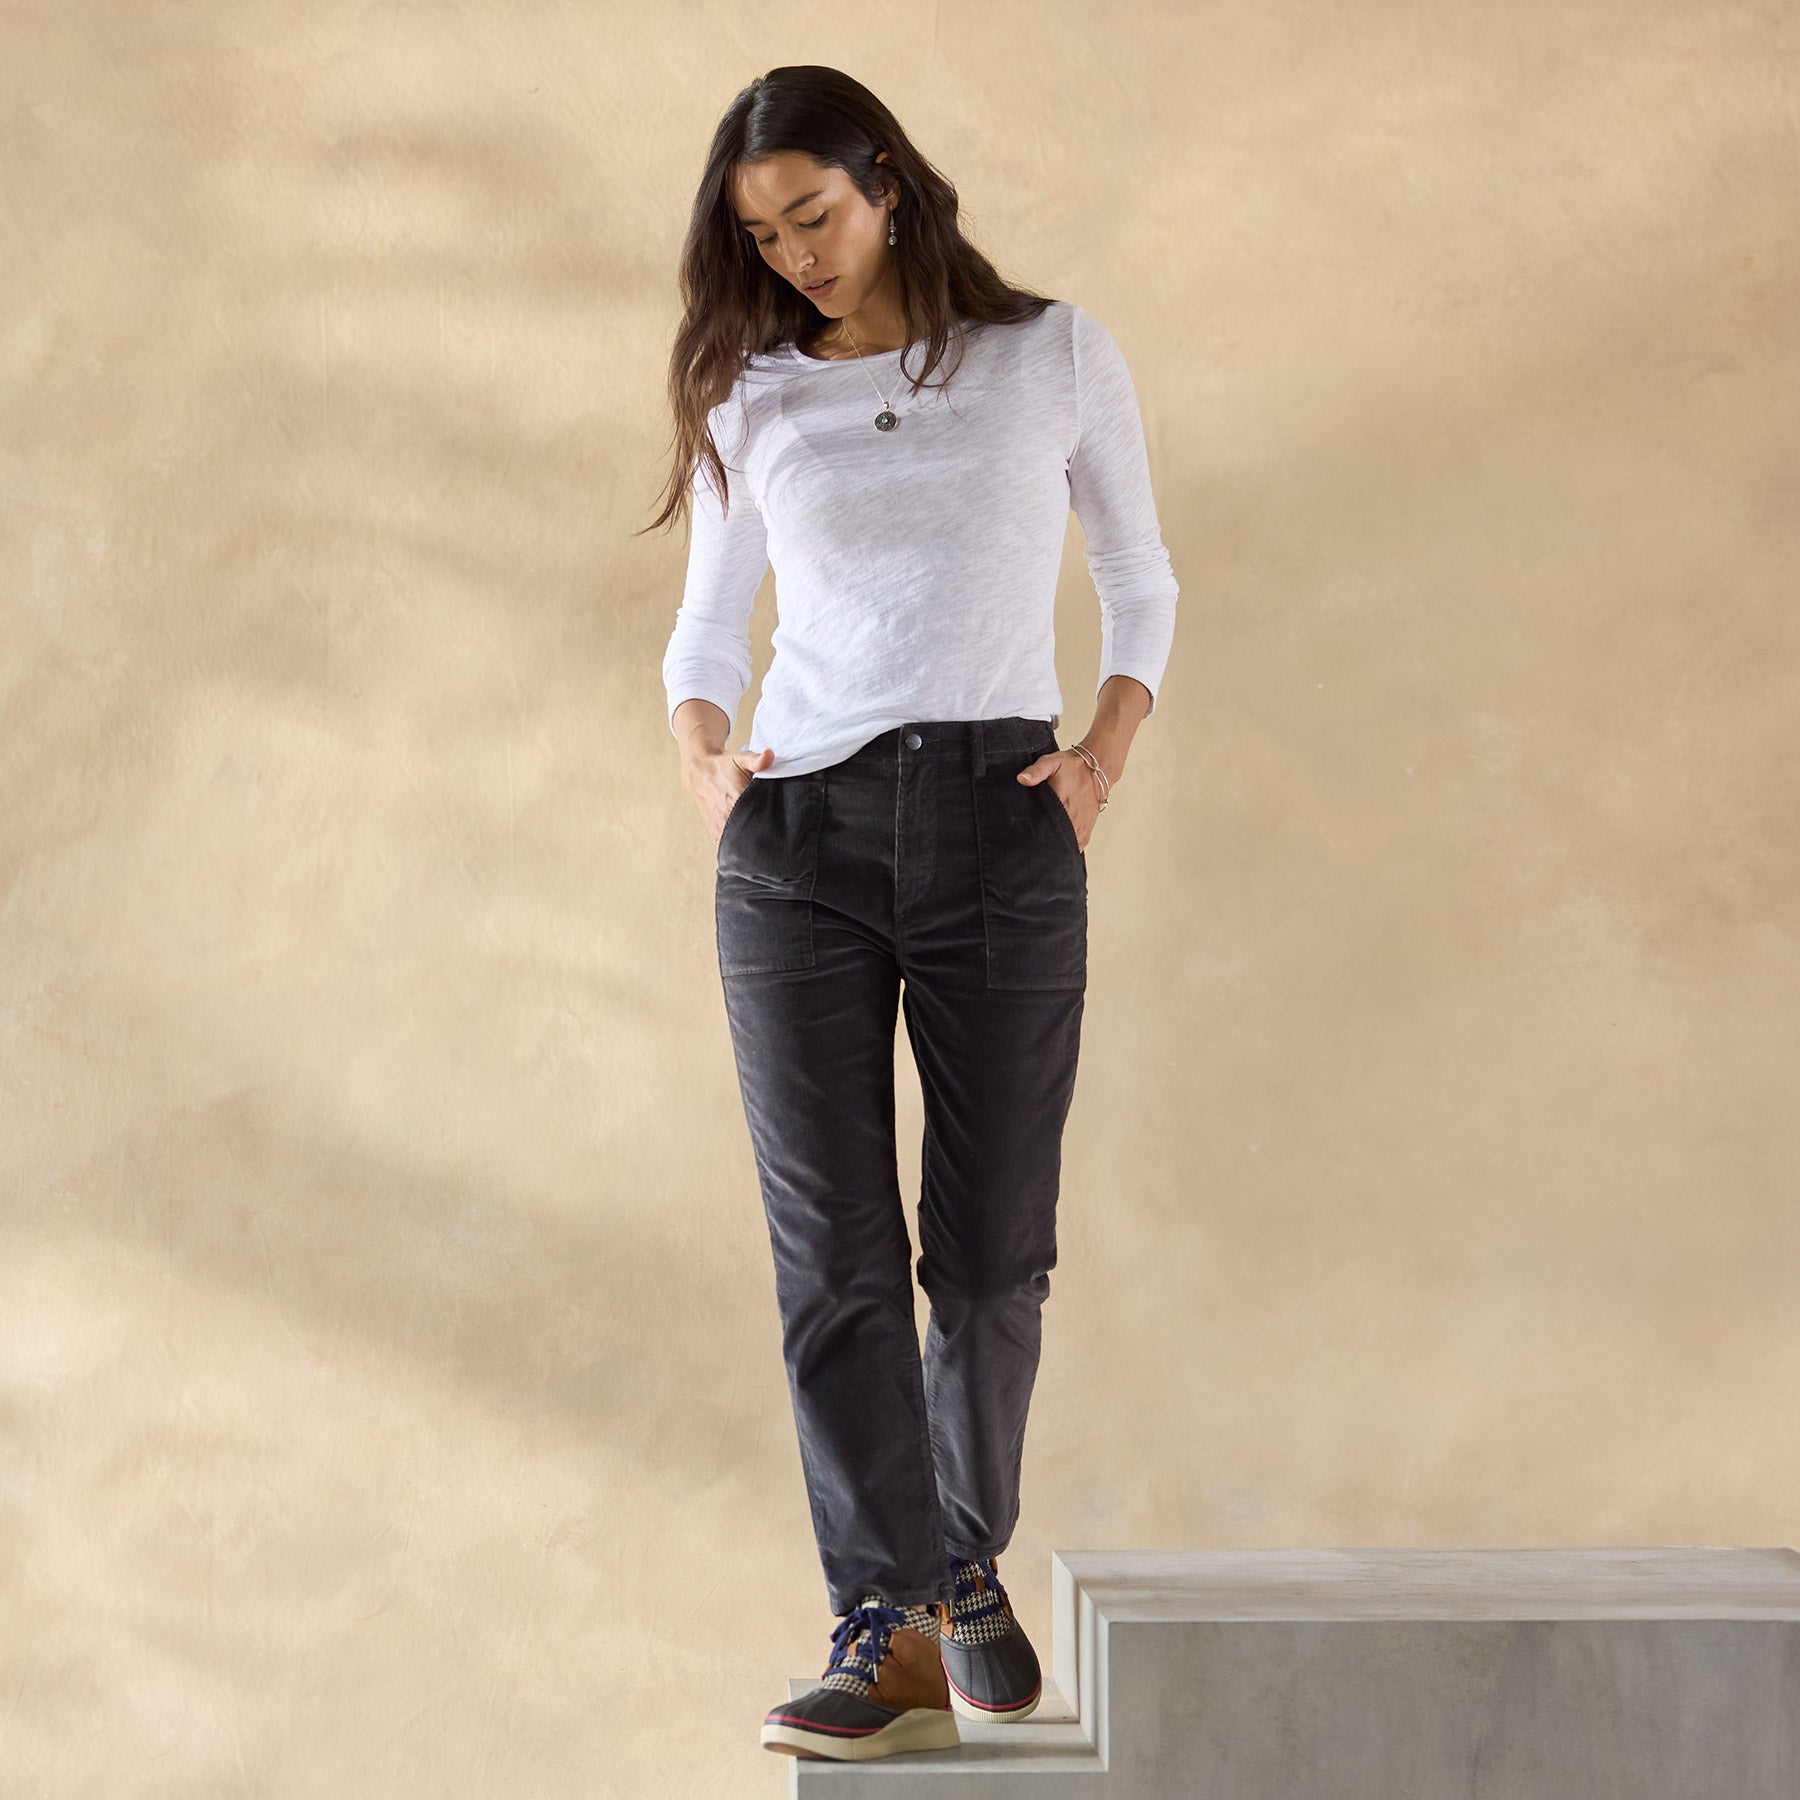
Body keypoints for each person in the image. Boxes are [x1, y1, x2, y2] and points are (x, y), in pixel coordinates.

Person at [645, 65, 1179, 1763]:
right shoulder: (752, 396)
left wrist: (1105, 747)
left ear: (887, 181)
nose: (794, 255)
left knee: (994, 1256)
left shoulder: (1052, 354)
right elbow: (707, 626)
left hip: (1001, 827)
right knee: (835, 1260)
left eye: (812, 214)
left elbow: (1140, 577)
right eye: (761, 236)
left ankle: (962, 1565)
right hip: (798, 845)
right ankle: (882, 1621)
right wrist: (704, 751)